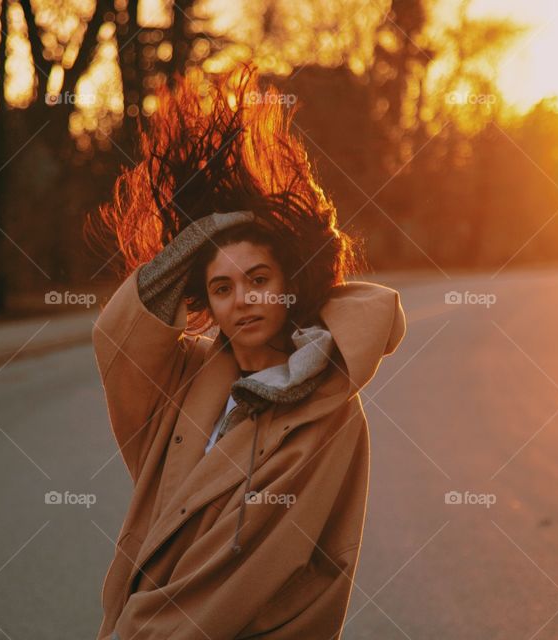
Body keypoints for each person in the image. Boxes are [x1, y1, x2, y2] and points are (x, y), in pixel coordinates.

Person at [86, 65, 407, 640]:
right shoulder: (189, 377)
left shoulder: (328, 408)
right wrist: (201, 236)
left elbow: (259, 564)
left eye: (259, 279)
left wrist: (147, 628)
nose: (244, 301)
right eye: (222, 287)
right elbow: (119, 342)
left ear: (292, 284)